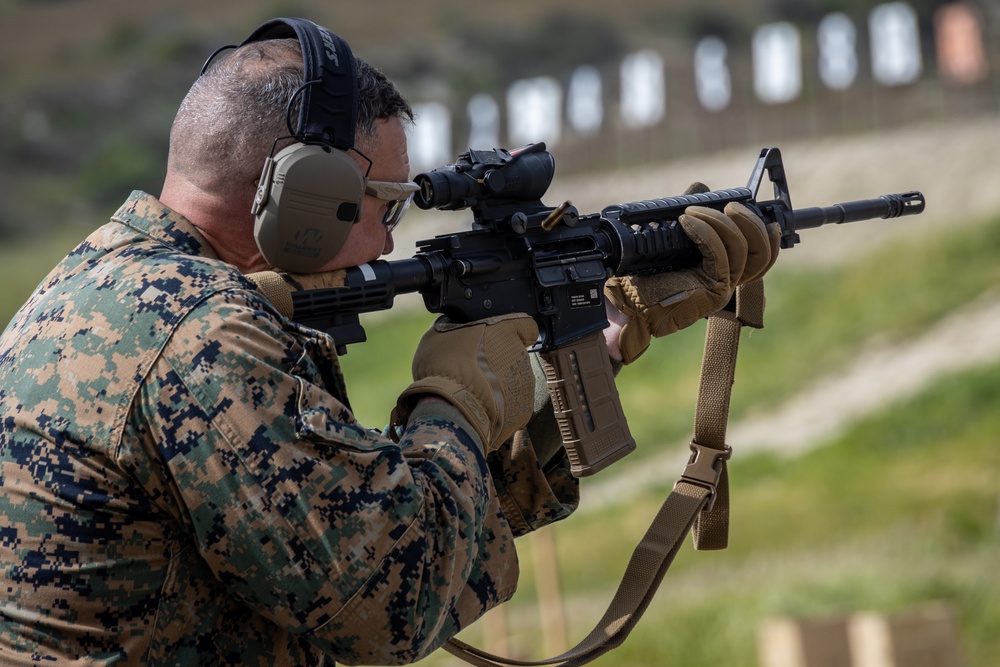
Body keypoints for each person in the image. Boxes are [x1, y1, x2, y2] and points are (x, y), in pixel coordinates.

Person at [0, 17, 777, 667]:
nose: (383, 244)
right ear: (307, 195)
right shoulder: (203, 335)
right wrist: (455, 405)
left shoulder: (102, 291)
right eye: (387, 204)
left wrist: (596, 337)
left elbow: (344, 525)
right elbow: (388, 600)